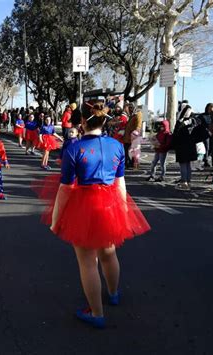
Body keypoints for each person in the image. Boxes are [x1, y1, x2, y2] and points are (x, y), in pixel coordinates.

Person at [41, 102, 150, 329]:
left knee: (88, 262)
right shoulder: (117, 146)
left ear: (82, 122)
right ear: (104, 120)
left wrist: (55, 219)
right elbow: (121, 183)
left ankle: (96, 313)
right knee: (109, 254)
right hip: (110, 203)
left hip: (84, 204)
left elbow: (65, 188)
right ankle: (113, 294)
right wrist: (123, 209)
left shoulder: (73, 148)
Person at [172, 105, 197, 190]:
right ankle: (188, 181)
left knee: (183, 164)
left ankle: (184, 182)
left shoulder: (180, 121)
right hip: (191, 145)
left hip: (182, 145)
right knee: (188, 164)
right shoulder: (193, 120)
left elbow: (175, 133)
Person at [122, 103, 142, 168]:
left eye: (131, 107)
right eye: (129, 108)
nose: (130, 109)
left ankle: (133, 164)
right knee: (127, 151)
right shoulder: (132, 115)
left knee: (134, 151)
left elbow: (138, 125)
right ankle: (128, 163)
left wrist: (135, 133)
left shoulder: (138, 114)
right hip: (127, 137)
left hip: (132, 137)